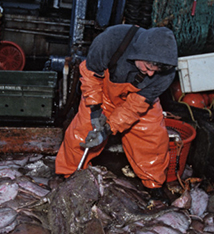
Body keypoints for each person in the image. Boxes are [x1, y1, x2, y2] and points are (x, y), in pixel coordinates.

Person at [55, 25, 178, 202]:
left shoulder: (166, 73)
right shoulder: (110, 40)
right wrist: (95, 110)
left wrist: (108, 129)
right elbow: (90, 76)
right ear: (138, 52)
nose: (151, 73)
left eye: (156, 70)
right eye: (149, 66)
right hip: (102, 93)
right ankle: (68, 176)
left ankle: (154, 186)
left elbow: (136, 106)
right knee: (82, 133)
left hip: (138, 101)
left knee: (152, 140)